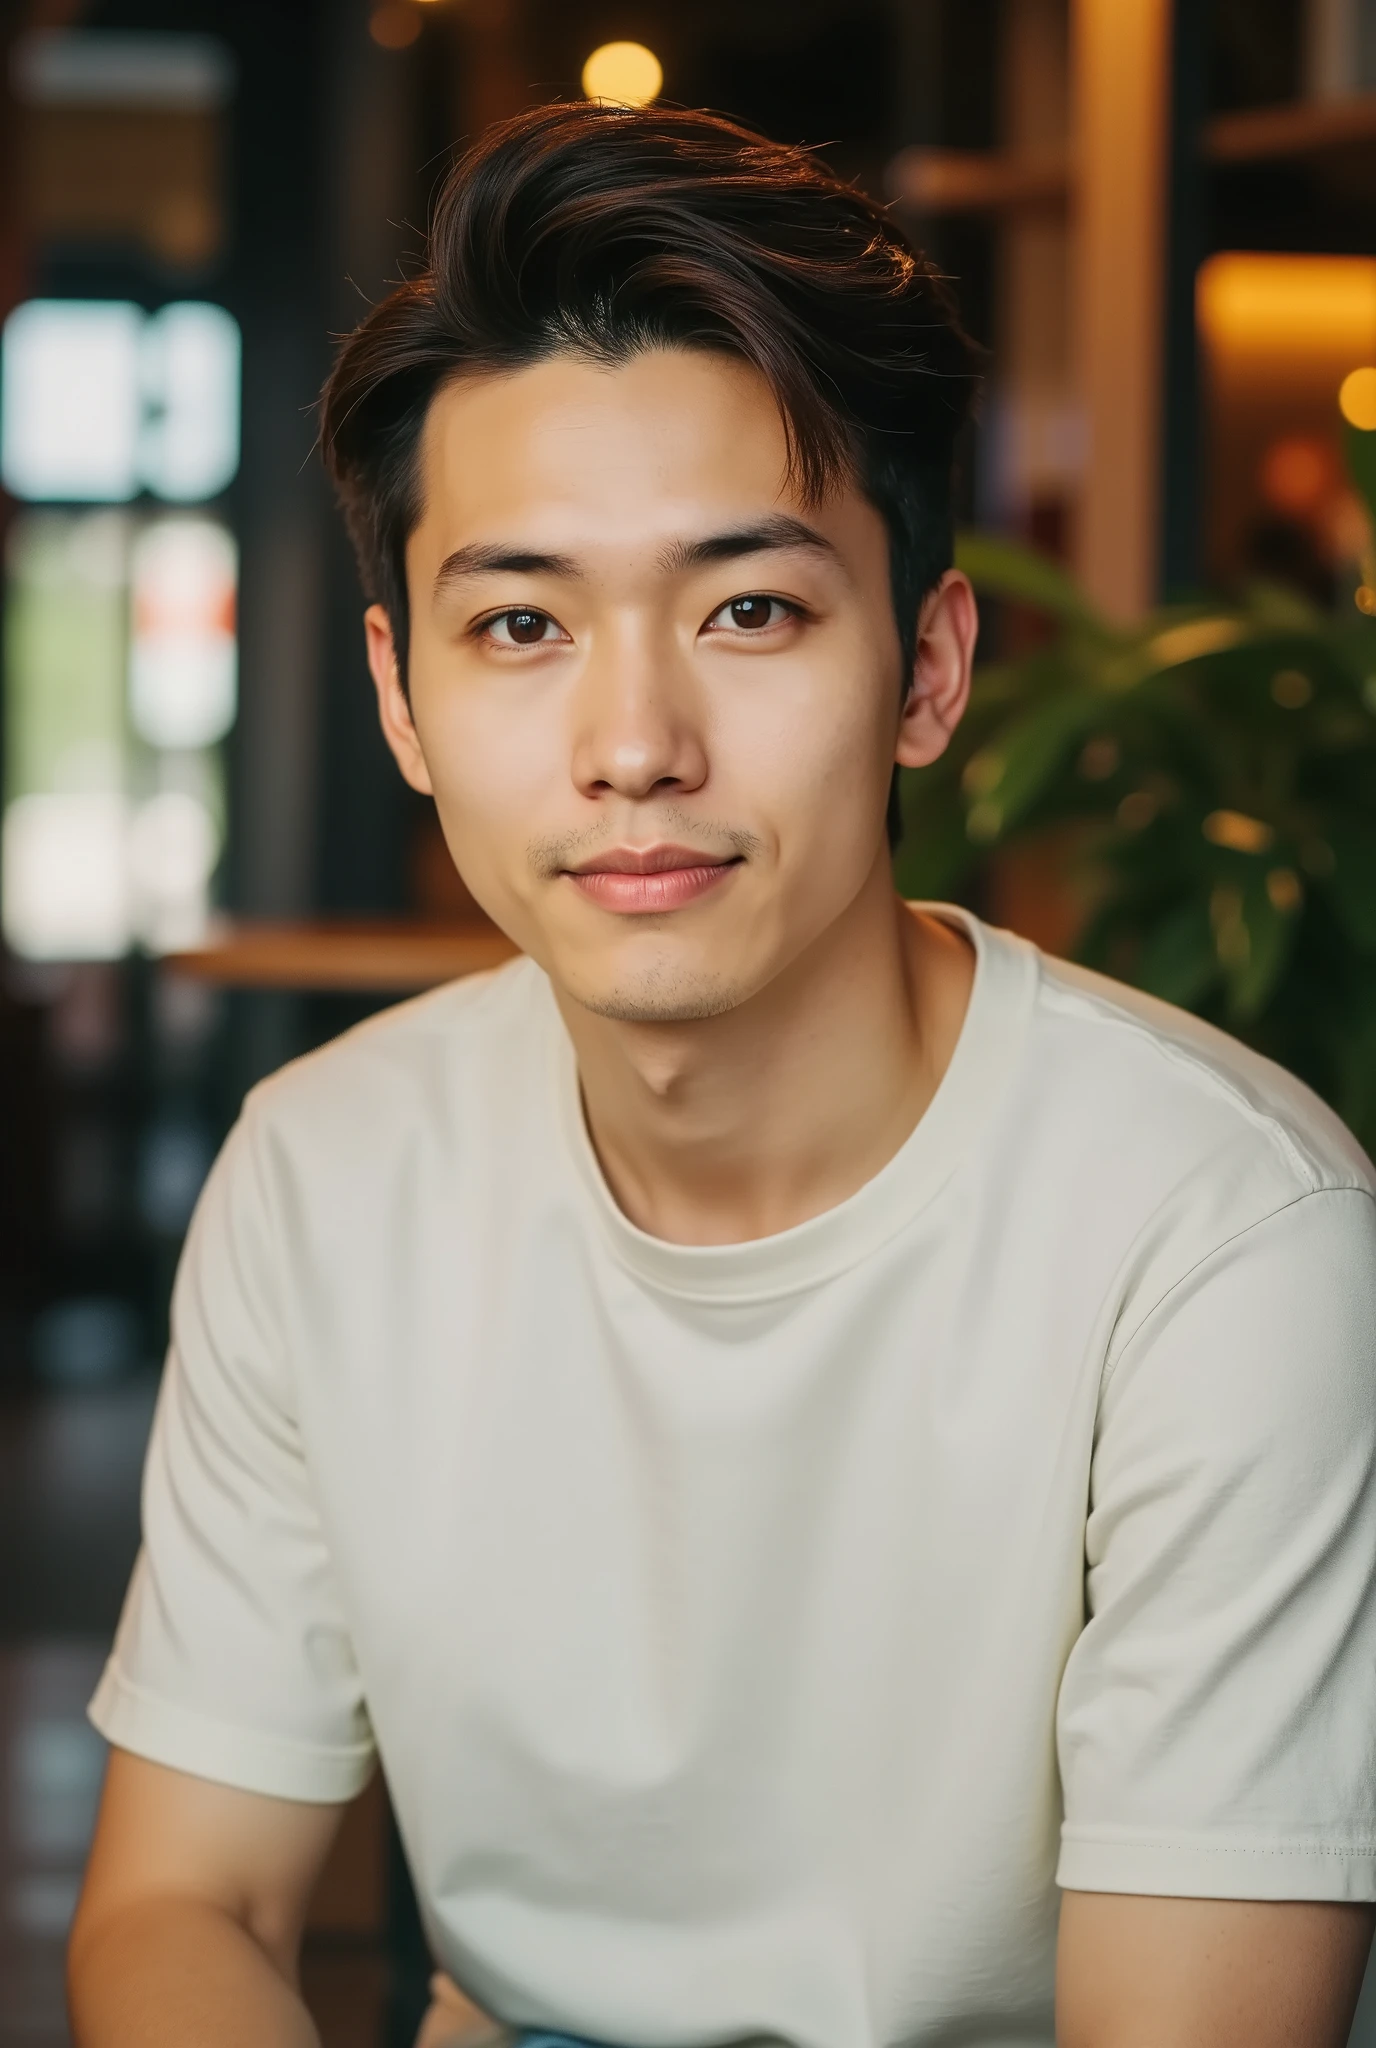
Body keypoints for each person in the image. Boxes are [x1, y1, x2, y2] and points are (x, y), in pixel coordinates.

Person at [68, 102, 1376, 2048]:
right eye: (519, 624)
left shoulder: (1220, 1233)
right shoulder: (325, 1177)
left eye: (747, 607)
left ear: (927, 668)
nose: (632, 741)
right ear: (399, 701)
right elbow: (182, 1905)